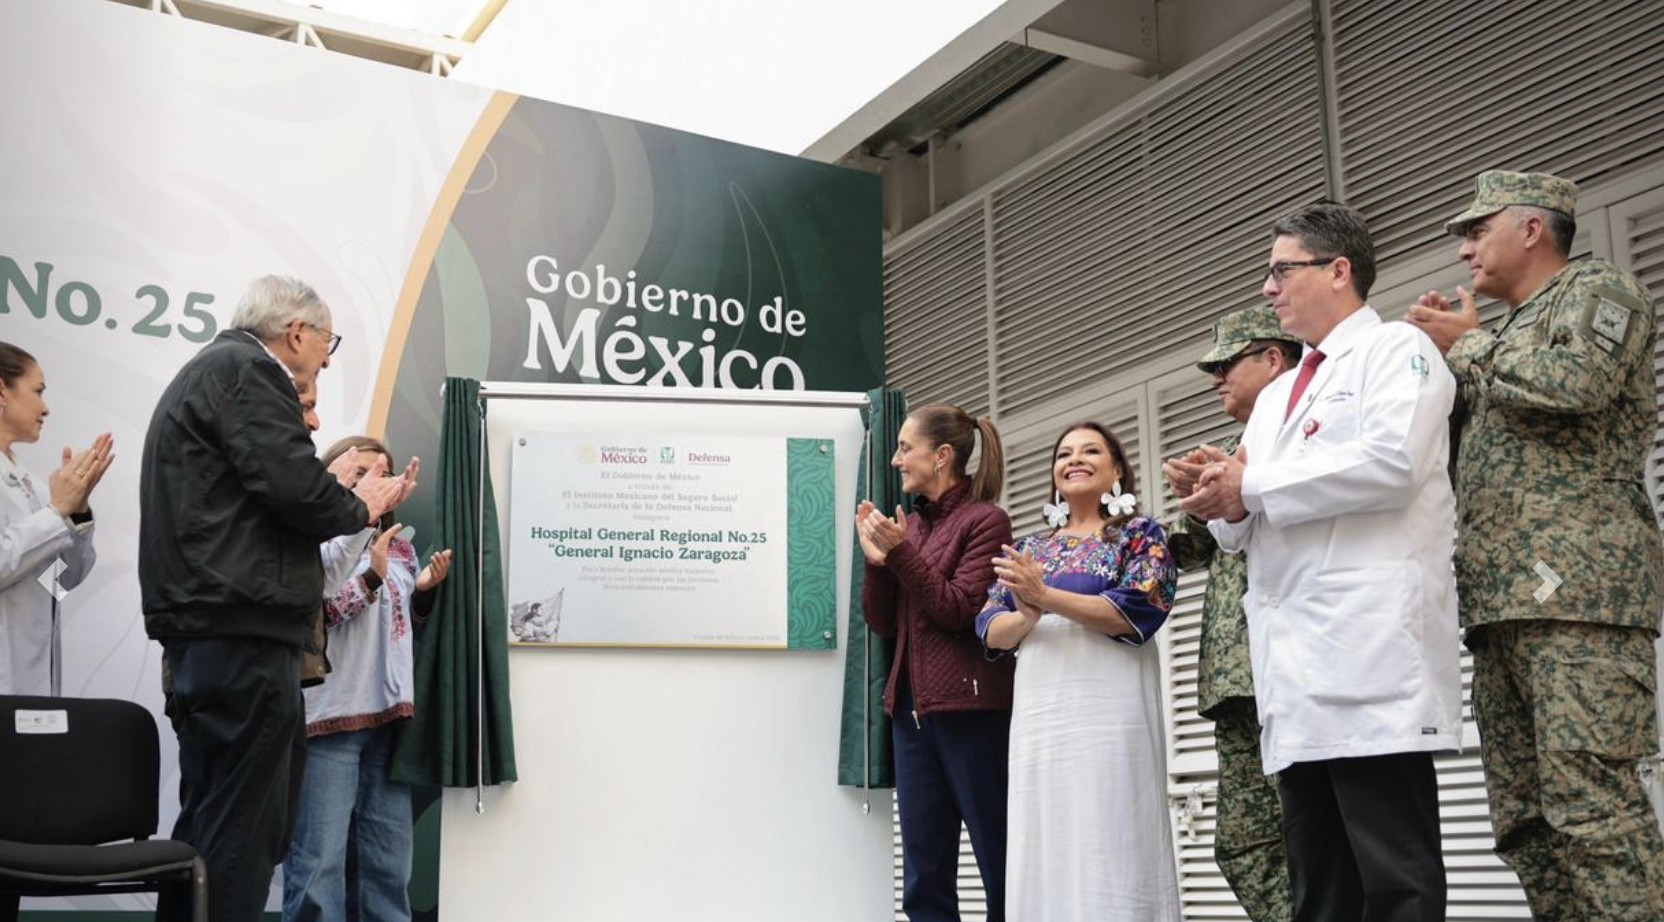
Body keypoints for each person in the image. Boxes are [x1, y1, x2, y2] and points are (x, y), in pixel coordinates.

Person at [1182, 203, 1460, 922]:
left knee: (1395, 880)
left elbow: (1392, 463)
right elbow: (1252, 522)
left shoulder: (1399, 351)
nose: (1268, 290)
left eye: (1282, 270)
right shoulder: (1276, 396)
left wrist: (1254, 484)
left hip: (1368, 659)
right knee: (1320, 888)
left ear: (1339, 271)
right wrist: (1224, 503)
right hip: (1294, 675)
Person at [1406, 170, 1664, 919]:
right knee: (1525, 820)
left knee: (1593, 806)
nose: (1463, 250)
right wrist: (1438, 361)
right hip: (1499, 605)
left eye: (1475, 230)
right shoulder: (1503, 332)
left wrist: (1473, 346)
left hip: (1581, 595)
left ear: (1530, 229)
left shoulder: (1600, 292)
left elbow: (1578, 383)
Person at [140, 275, 417, 922]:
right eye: (328, 344)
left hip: (211, 628)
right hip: (242, 632)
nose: (324, 360)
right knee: (245, 825)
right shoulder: (249, 369)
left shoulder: (209, 371)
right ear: (297, 333)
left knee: (212, 816)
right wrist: (358, 506)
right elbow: (295, 487)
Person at [978, 421, 1179, 922]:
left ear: (1116, 469)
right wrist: (1025, 616)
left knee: (1111, 826)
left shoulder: (1140, 535)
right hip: (1042, 714)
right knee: (1046, 830)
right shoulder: (1031, 549)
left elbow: (1138, 610)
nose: (1075, 459)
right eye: (1064, 453)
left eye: (1092, 450)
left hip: (1111, 710)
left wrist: (1044, 598)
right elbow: (988, 626)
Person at [1162, 307, 1300, 922]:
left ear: (1272, 359)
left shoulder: (1305, 433)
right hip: (1233, 679)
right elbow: (1189, 550)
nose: (1216, 378)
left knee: (1313, 836)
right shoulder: (1234, 449)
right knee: (1243, 845)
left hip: (1293, 673)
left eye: (1227, 364)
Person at [284, 435, 453, 922]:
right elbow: (313, 618)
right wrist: (370, 579)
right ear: (327, 478)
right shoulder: (309, 536)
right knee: (319, 864)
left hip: (387, 724)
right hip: (329, 721)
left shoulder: (400, 544)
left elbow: (397, 628)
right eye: (359, 473)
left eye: (382, 473)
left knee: (387, 865)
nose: (372, 482)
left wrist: (420, 593)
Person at [857, 402, 1013, 922]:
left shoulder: (986, 522)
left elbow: (958, 611)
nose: (898, 460)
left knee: (999, 858)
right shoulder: (913, 527)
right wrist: (879, 562)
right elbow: (882, 622)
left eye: (906, 448)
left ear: (942, 456)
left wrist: (900, 554)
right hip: (912, 716)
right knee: (924, 874)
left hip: (972, 715)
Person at [0, 341, 113, 695]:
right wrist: (56, 512)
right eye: (37, 391)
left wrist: (76, 513)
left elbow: (57, 584)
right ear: (2, 390)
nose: (45, 408)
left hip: (35, 689)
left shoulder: (31, 483)